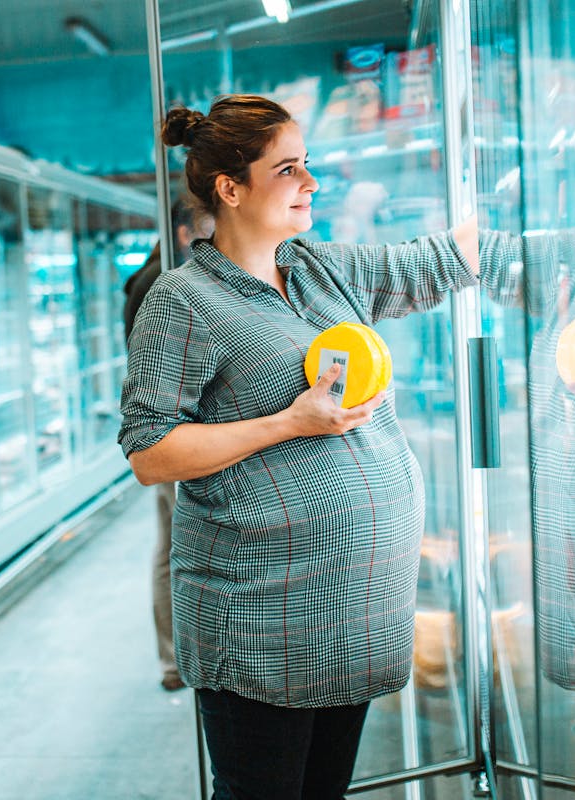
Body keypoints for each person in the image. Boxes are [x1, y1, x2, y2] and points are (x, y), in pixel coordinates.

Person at [117, 94, 514, 799]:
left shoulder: (317, 268)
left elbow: (429, 263)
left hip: (347, 616)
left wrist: (519, 202)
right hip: (264, 624)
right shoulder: (182, 301)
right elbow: (152, 452)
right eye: (290, 169)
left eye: (309, 167)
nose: (311, 184)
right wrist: (289, 423)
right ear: (230, 189)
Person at [122, 198, 209, 692]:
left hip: (184, 438)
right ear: (183, 235)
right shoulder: (165, 286)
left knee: (171, 543)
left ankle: (176, 658)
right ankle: (176, 660)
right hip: (179, 441)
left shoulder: (155, 276)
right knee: (175, 547)